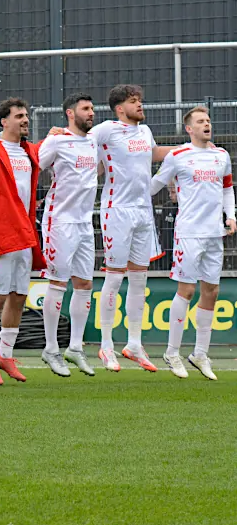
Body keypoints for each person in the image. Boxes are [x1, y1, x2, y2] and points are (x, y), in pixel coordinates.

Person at [91, 84, 172, 372]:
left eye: (140, 100)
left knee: (140, 280)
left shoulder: (145, 131)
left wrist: (187, 151)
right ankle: (106, 346)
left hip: (143, 211)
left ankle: (134, 344)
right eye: (133, 101)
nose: (140, 105)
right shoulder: (106, 130)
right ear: (119, 108)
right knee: (114, 278)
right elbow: (81, 143)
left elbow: (154, 154)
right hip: (117, 211)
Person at [150, 106, 235, 380]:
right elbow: (156, 184)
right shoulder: (178, 156)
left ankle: (200, 353)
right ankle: (172, 352)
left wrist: (231, 216)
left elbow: (227, 189)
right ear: (189, 128)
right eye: (200, 121)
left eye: (208, 120)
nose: (206, 124)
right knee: (186, 291)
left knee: (211, 291)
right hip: (188, 233)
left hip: (214, 234)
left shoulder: (221, 155)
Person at [0, 98, 45, 385]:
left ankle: (5, 355)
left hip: (25, 234)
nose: (25, 120)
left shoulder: (28, 151)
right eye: (18, 116)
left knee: (18, 297)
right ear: (4, 121)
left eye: (26, 115)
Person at [37, 93, 99, 377]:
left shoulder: (93, 140)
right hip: (59, 220)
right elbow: (35, 164)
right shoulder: (56, 139)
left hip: (85, 222)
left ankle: (75, 347)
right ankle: (51, 349)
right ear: (70, 113)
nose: (91, 113)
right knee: (58, 283)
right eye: (86, 109)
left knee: (85, 284)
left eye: (92, 109)